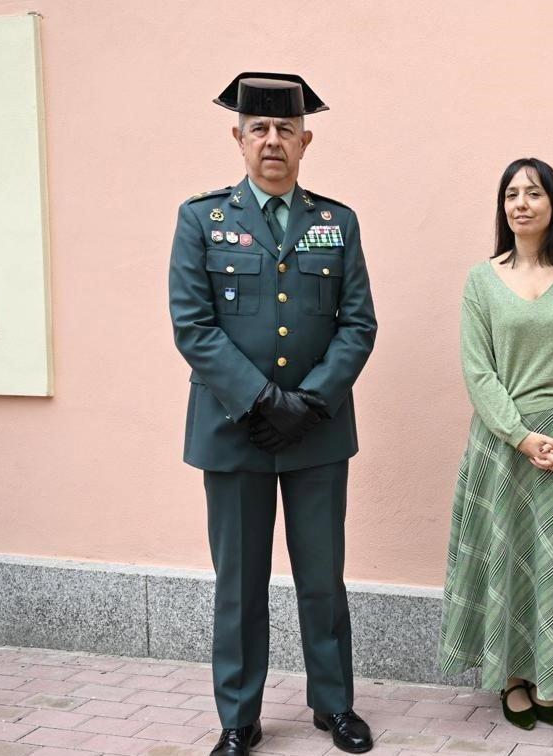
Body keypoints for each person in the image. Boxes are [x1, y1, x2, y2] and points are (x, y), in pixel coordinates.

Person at [169, 73, 378, 756]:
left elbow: (358, 325)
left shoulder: (336, 222)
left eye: (285, 130)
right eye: (258, 128)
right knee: (239, 586)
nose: (272, 141)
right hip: (234, 434)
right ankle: (239, 717)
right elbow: (193, 325)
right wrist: (261, 401)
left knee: (323, 580)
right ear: (238, 139)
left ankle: (334, 706)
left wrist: (310, 402)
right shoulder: (202, 219)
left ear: (305, 140)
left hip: (316, 435)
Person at [439, 157, 553, 730]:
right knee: (510, 561)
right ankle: (513, 677)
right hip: (504, 444)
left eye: (534, 193)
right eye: (512, 194)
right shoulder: (481, 279)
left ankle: (552, 673)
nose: (521, 203)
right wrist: (521, 438)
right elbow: (478, 371)